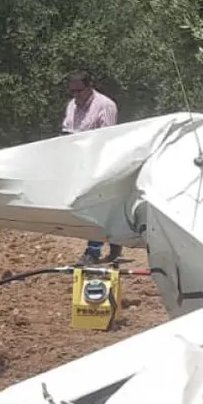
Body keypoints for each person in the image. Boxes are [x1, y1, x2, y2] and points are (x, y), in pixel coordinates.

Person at [61, 71, 122, 263]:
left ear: (89, 87)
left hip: (99, 164)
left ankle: (93, 250)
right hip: (78, 163)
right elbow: (67, 130)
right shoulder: (71, 106)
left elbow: (107, 138)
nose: (76, 96)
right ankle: (114, 239)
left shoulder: (105, 106)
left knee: (95, 205)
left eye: (79, 91)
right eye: (72, 92)